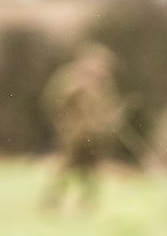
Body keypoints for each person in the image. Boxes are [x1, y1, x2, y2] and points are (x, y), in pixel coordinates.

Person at [42, 42, 122, 210]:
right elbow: (53, 100)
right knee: (66, 168)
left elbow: (109, 106)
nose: (102, 69)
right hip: (73, 134)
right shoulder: (69, 77)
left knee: (92, 171)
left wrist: (109, 121)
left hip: (95, 136)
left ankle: (87, 204)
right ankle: (52, 201)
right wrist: (75, 91)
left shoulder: (104, 83)